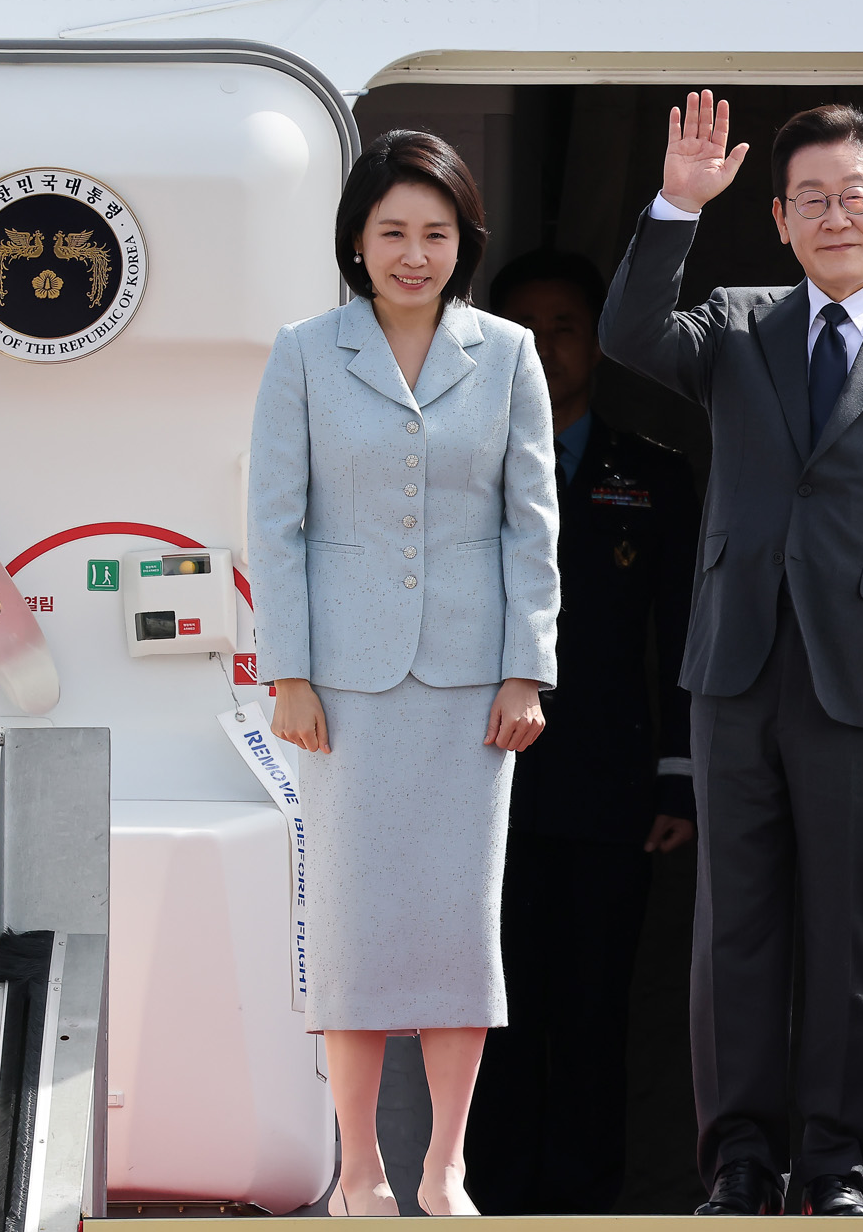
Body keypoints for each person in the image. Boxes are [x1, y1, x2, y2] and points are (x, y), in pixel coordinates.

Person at [598, 93, 863, 1216]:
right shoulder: (736, 323)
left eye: (852, 196)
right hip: (734, 671)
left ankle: (835, 1170)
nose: (833, 216)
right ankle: (738, 1164)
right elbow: (628, 337)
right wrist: (675, 210)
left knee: (851, 942)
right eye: (808, 200)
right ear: (778, 220)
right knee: (731, 936)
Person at [248, 130, 559, 1218]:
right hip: (341, 684)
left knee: (457, 922)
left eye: (434, 233)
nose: (412, 253)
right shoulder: (302, 351)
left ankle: (445, 1166)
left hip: (473, 686)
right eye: (392, 232)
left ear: (462, 240)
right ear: (357, 241)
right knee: (351, 919)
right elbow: (275, 524)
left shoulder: (509, 353)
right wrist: (285, 670)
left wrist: (527, 669)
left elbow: (532, 528)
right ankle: (360, 1169)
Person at [465, 249, 702, 1213]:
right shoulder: (453, 464)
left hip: (611, 791)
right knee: (491, 1011)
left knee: (595, 1011)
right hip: (478, 787)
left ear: (599, 342)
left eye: (567, 326)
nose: (548, 347)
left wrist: (678, 774)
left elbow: (687, 629)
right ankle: (493, 1196)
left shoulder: (654, 474)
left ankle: (584, 1203)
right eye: (527, 327)